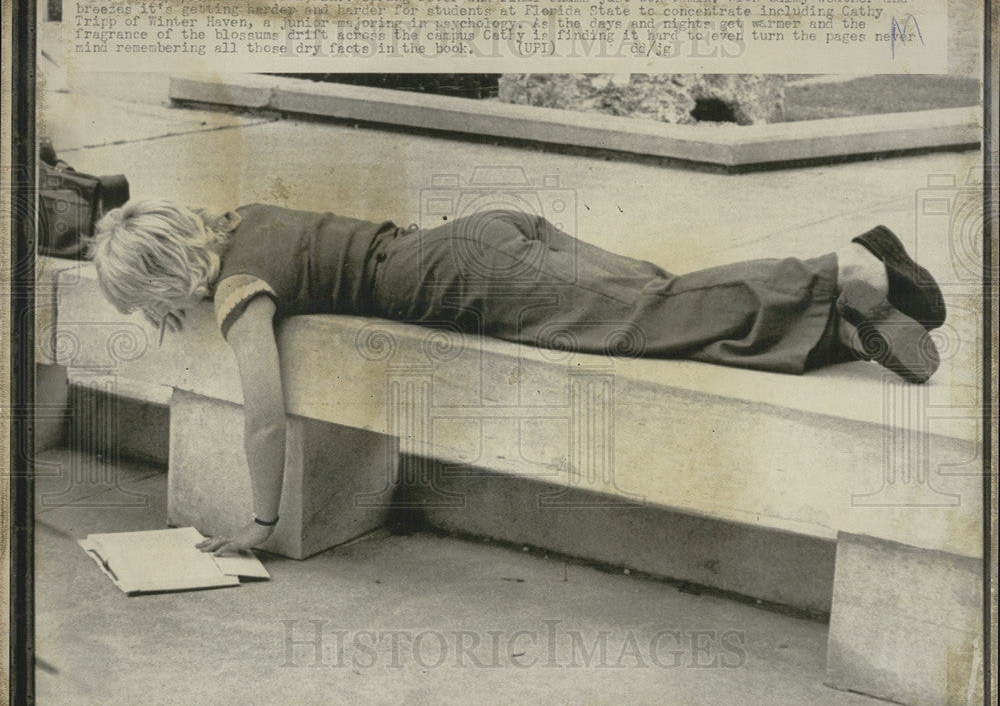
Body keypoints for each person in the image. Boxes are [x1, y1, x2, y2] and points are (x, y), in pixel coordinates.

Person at [88, 198, 946, 555]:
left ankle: (849, 269)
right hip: (482, 233)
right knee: (656, 298)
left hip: (470, 281)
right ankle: (839, 323)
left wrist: (261, 521)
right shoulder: (240, 222)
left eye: (146, 304)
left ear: (164, 283)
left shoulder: (239, 292)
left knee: (643, 322)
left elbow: (265, 415)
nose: (155, 318)